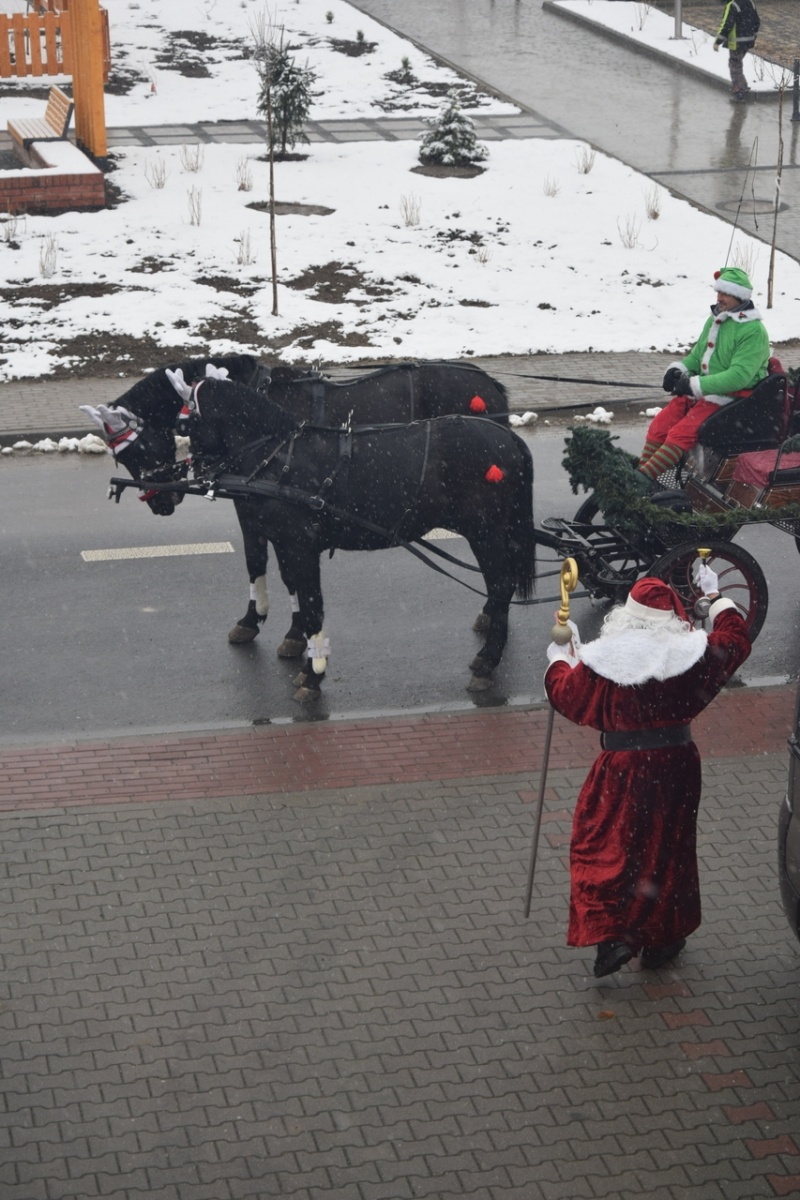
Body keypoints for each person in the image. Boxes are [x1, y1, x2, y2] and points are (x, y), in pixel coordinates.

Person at [544, 570, 751, 979]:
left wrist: (559, 661)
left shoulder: (605, 662)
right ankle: (661, 938)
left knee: (605, 848)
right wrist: (714, 595)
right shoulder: (693, 654)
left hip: (621, 768)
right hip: (677, 764)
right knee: (667, 849)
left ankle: (612, 936)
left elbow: (568, 698)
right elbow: (737, 640)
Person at [638, 267, 770, 480]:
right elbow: (697, 356)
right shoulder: (716, 319)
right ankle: (642, 471)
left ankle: (643, 480)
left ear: (739, 296)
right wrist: (678, 371)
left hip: (733, 397)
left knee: (679, 434)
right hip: (704, 391)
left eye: (724, 293)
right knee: (661, 424)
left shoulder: (753, 331)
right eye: (718, 292)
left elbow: (739, 377)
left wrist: (695, 385)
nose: (719, 298)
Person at [713, 0, 760, 102]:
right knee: (737, 63)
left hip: (736, 42)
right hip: (748, 40)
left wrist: (718, 42)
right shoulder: (750, 2)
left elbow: (726, 24)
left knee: (735, 65)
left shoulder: (732, 4)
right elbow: (757, 21)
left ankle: (740, 91)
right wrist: (752, 34)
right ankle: (743, 86)